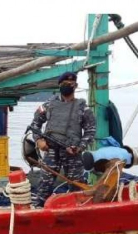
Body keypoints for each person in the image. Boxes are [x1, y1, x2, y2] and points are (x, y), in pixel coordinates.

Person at [29, 71, 97, 207]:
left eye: (71, 84)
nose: (68, 86)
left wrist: (80, 147)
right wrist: (39, 140)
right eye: (65, 84)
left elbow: (91, 130)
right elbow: (35, 125)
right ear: (60, 85)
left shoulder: (83, 108)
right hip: (51, 150)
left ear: (76, 86)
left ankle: (78, 212)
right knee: (45, 184)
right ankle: (38, 209)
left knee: (76, 186)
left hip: (72, 152)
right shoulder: (48, 105)